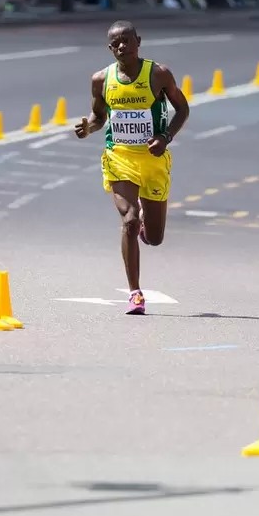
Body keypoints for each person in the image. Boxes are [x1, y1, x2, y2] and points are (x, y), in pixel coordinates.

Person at [74, 21, 189, 314]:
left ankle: (145, 229)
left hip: (153, 160)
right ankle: (135, 293)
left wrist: (166, 137)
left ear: (139, 41)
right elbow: (98, 117)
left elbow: (182, 108)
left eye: (127, 40)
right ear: (110, 49)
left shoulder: (158, 74)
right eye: (116, 43)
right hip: (119, 158)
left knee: (155, 238)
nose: (122, 46)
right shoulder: (101, 79)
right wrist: (89, 128)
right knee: (129, 219)